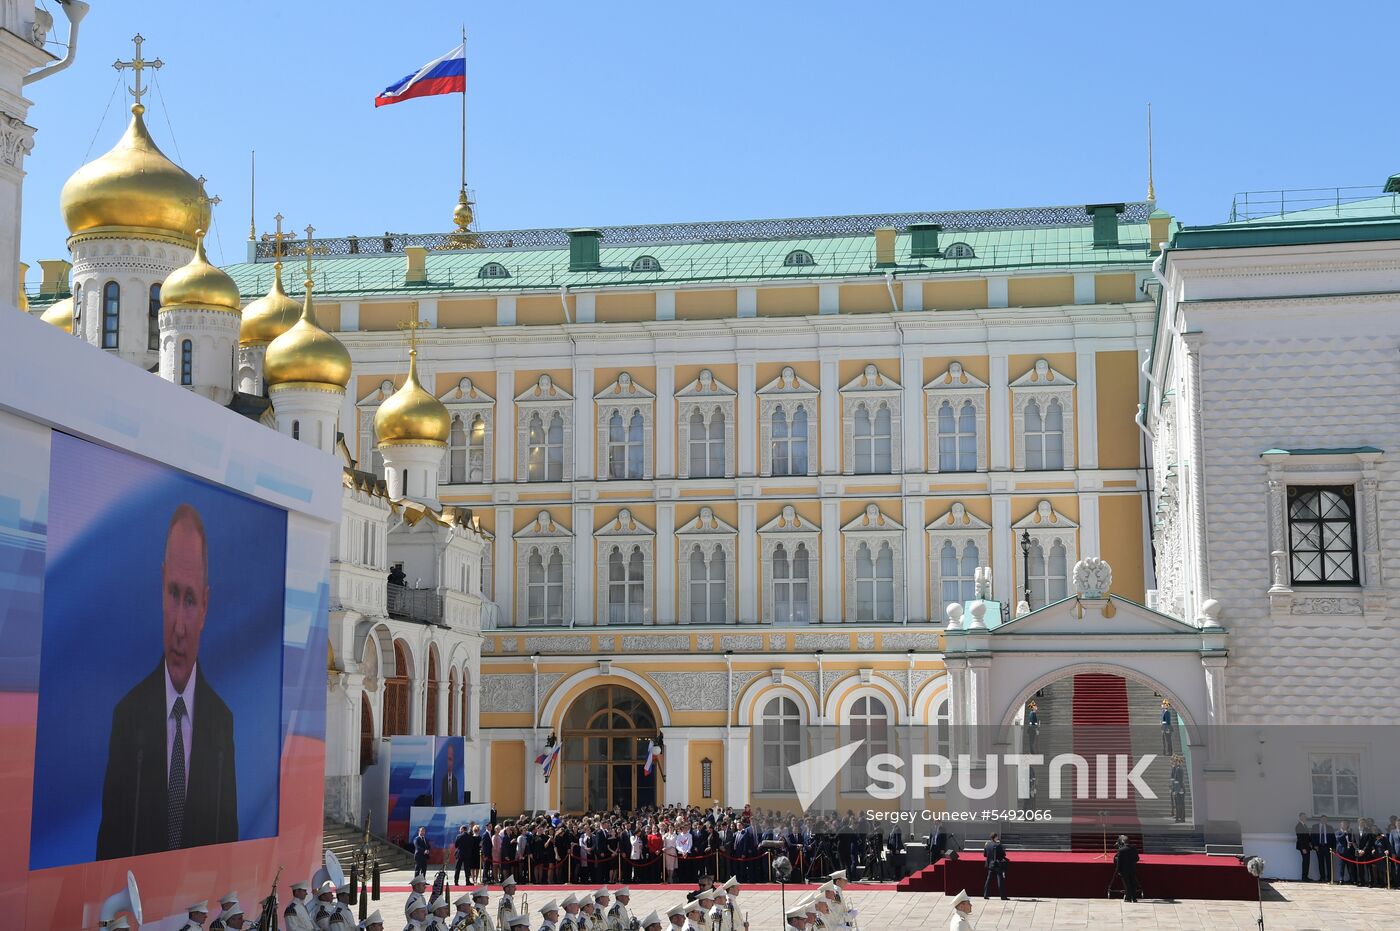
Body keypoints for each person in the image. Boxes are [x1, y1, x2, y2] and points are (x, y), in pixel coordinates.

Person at [96, 504, 239, 859]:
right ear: (161, 589)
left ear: (205, 606)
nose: (178, 627)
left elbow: (228, 839)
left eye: (189, 600)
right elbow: (109, 842)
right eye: (173, 594)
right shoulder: (128, 717)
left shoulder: (221, 724)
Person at [1114, 835, 1141, 902]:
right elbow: (1137, 859)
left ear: (1123, 841)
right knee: (1133, 883)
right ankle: (1134, 898)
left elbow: (1119, 862)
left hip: (1124, 870)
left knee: (1127, 884)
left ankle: (1128, 898)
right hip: (1132, 869)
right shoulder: (1134, 848)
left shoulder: (1121, 850)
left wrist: (1118, 870)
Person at [981, 833, 1008, 900]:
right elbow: (1003, 855)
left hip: (990, 865)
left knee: (988, 880)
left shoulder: (987, 845)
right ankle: (1003, 896)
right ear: (995, 837)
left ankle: (985, 894)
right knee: (1000, 880)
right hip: (998, 865)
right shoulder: (998, 845)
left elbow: (985, 855)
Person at [1313, 815, 1334, 883]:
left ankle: (1329, 878)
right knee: (1320, 863)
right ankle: (1322, 877)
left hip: (1327, 846)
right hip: (1319, 847)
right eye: (1323, 819)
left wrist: (1333, 847)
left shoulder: (1330, 827)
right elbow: (1312, 836)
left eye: (1325, 819)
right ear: (1320, 819)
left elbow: (1333, 837)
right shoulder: (1315, 826)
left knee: (1329, 863)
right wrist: (1315, 845)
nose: (1324, 820)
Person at [1293, 813, 1312, 881]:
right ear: (1300, 817)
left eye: (1305, 817)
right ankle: (1304, 877)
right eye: (1303, 817)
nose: (1305, 818)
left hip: (1307, 846)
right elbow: (1300, 838)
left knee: (1307, 861)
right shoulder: (1298, 826)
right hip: (1303, 847)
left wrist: (1310, 843)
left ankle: (1306, 876)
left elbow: (1307, 837)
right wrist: (1303, 848)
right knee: (1305, 861)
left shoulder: (1304, 825)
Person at [1169, 755, 1186, 823]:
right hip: (1179, 788)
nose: (1175, 763)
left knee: (1180, 804)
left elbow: (1179, 780)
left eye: (1176, 761)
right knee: (1179, 804)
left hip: (1179, 788)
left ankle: (1181, 818)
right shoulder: (1178, 768)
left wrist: (1177, 789)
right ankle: (1180, 817)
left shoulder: (1179, 769)